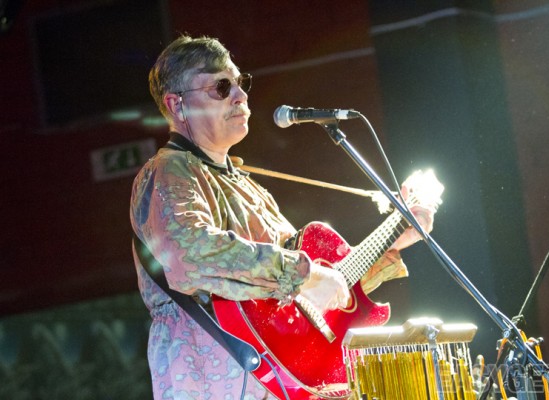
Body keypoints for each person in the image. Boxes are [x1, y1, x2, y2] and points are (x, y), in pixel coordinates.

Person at [130, 35, 436, 400]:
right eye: (221, 87)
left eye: (240, 83)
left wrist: (394, 236)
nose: (240, 96)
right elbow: (190, 254)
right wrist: (305, 275)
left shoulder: (248, 186)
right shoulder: (169, 170)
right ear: (176, 105)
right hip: (215, 381)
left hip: (282, 381)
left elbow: (318, 287)